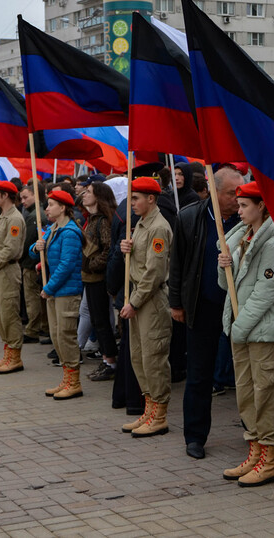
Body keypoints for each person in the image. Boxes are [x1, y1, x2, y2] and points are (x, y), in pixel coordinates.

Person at [217, 181, 274, 487]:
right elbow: (228, 287)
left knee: (264, 395)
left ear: (261, 206)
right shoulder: (241, 240)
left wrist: (238, 329)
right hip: (244, 330)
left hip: (263, 332)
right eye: (238, 205)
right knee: (246, 393)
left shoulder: (273, 246)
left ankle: (270, 460)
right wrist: (223, 265)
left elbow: (264, 294)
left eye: (244, 205)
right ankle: (255, 450)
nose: (239, 210)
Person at [171, 166, 243, 459]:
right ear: (213, 191)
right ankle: (195, 436)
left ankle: (254, 430)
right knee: (199, 374)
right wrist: (177, 303)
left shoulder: (249, 216)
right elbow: (177, 264)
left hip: (241, 310)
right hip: (202, 307)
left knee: (246, 374)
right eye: (231, 193)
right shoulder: (190, 217)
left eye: (240, 193)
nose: (237, 199)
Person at [119, 177, 174, 437]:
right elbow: (141, 262)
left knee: (153, 357)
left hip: (150, 300)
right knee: (139, 357)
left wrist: (134, 302)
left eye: (136, 198)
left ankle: (159, 414)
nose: (132, 203)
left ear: (151, 199)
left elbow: (154, 273)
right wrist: (126, 247)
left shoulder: (159, 227)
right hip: (139, 298)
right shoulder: (140, 225)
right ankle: (149, 409)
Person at [32, 189, 85, 399]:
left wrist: (48, 288)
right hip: (55, 291)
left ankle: (74, 382)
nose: (47, 208)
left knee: (66, 335)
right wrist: (36, 248)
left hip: (66, 292)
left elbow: (66, 265)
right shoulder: (53, 229)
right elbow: (33, 250)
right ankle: (66, 378)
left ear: (63, 208)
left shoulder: (70, 232)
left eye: (51, 204)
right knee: (56, 336)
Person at [0, 180, 27, 373]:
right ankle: (8, 352)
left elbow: (11, 248)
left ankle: (15, 356)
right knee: (0, 314)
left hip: (7, 269)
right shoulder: (3, 217)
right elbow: (3, 243)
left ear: (6, 196)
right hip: (0, 269)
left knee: (9, 313)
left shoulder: (14, 218)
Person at [82, 181, 118, 382]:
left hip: (98, 278)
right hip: (89, 277)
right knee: (97, 320)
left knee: (101, 321)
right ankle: (106, 360)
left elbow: (108, 249)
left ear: (99, 197)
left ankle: (110, 362)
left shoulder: (103, 220)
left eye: (89, 192)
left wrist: (92, 265)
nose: (85, 195)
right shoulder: (92, 219)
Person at [20, 181, 49, 337]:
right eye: (21, 198)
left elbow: (27, 242)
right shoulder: (35, 214)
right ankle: (43, 326)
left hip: (31, 264)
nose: (23, 201)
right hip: (35, 262)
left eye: (26, 197)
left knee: (32, 298)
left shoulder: (35, 216)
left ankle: (33, 329)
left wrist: (21, 257)